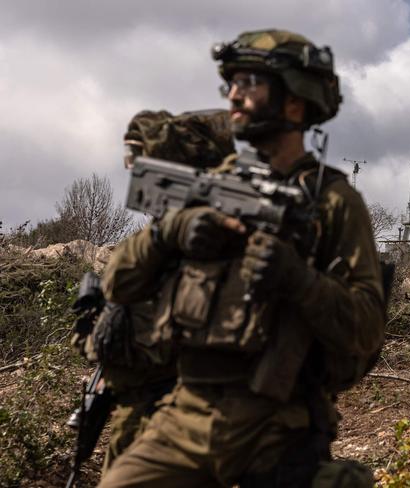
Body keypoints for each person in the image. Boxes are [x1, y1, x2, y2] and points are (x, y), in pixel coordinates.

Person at [98, 29, 385, 487]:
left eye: (250, 82)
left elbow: (367, 328)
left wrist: (297, 279)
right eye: (230, 82)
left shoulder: (333, 202)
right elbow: (118, 283)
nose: (233, 94)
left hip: (278, 422)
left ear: (295, 101)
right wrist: (172, 232)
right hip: (185, 412)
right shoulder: (211, 183)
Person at [71, 108, 236, 474]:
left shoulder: (216, 236)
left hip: (181, 410)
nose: (138, 174)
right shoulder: (163, 234)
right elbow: (121, 283)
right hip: (135, 403)